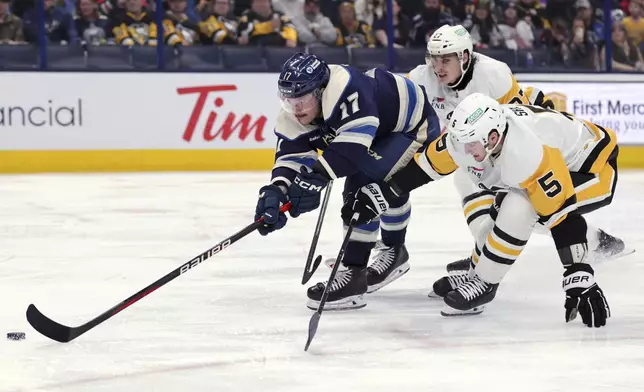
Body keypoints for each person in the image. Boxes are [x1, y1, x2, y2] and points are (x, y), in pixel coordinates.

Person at [343, 93, 616, 326]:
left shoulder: (527, 154)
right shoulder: (466, 138)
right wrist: (382, 195)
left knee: (519, 206)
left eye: (470, 144)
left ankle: (485, 281)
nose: (463, 150)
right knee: (483, 192)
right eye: (460, 142)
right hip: (548, 159)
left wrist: (578, 276)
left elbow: (563, 218)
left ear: (493, 137)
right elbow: (422, 169)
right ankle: (479, 269)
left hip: (591, 168)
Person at [406, 24, 628, 283]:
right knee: (468, 180)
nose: (438, 67)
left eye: (446, 59)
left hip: (572, 162)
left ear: (464, 56)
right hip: (507, 155)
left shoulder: (493, 75)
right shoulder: (425, 78)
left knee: (521, 206)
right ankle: (486, 254)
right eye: (435, 59)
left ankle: (593, 243)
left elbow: (522, 137)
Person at [254, 52, 441, 310]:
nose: (295, 110)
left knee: (363, 189)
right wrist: (277, 191)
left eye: (303, 100)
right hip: (380, 130)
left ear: (320, 91)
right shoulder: (296, 111)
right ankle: (395, 251)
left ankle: (353, 275)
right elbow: (292, 155)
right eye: (289, 100)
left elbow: (351, 152)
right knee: (383, 185)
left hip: (411, 126)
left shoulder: (346, 88)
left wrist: (315, 178)